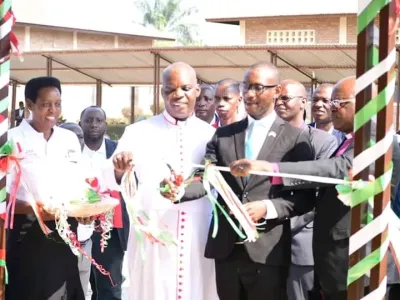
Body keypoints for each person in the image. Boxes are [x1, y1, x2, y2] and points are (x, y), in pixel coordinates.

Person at [231, 76, 400, 300]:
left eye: (339, 103)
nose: (332, 109)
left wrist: (270, 168)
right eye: (332, 103)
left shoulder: (376, 139)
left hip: (362, 266)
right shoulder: (349, 140)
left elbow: (339, 168)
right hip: (337, 263)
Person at [192, 62, 316, 300]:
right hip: (226, 250)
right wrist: (176, 190)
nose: (249, 94)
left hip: (267, 252)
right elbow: (205, 177)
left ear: (277, 91)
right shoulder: (224, 134)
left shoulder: (296, 138)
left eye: (258, 87)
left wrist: (267, 208)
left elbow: (305, 196)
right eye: (246, 86)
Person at [112, 62, 218, 300]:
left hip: (197, 233)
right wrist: (119, 169)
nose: (177, 95)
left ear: (197, 91)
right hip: (154, 235)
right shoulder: (137, 132)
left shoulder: (211, 135)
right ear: (161, 92)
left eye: (185, 88)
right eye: (170, 89)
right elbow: (114, 178)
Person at [6, 76, 86, 300]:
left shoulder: (69, 139)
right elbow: (3, 198)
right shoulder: (10, 140)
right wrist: (35, 208)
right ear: (29, 105)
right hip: (27, 236)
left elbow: (80, 183)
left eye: (57, 104)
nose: (53, 110)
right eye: (45, 104)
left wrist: (86, 210)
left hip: (65, 233)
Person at [275, 80, 337, 300]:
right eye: (276, 98)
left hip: (299, 242)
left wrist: (279, 220)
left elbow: (320, 195)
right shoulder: (266, 139)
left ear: (303, 102)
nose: (279, 103)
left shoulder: (322, 142)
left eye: (285, 98)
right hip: (264, 245)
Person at [78, 106, 128, 300]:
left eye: (99, 120)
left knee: (110, 285)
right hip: (77, 227)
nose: (93, 124)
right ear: (80, 123)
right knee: (79, 283)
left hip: (110, 230)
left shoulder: (117, 151)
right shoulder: (71, 150)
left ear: (105, 125)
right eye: (88, 120)